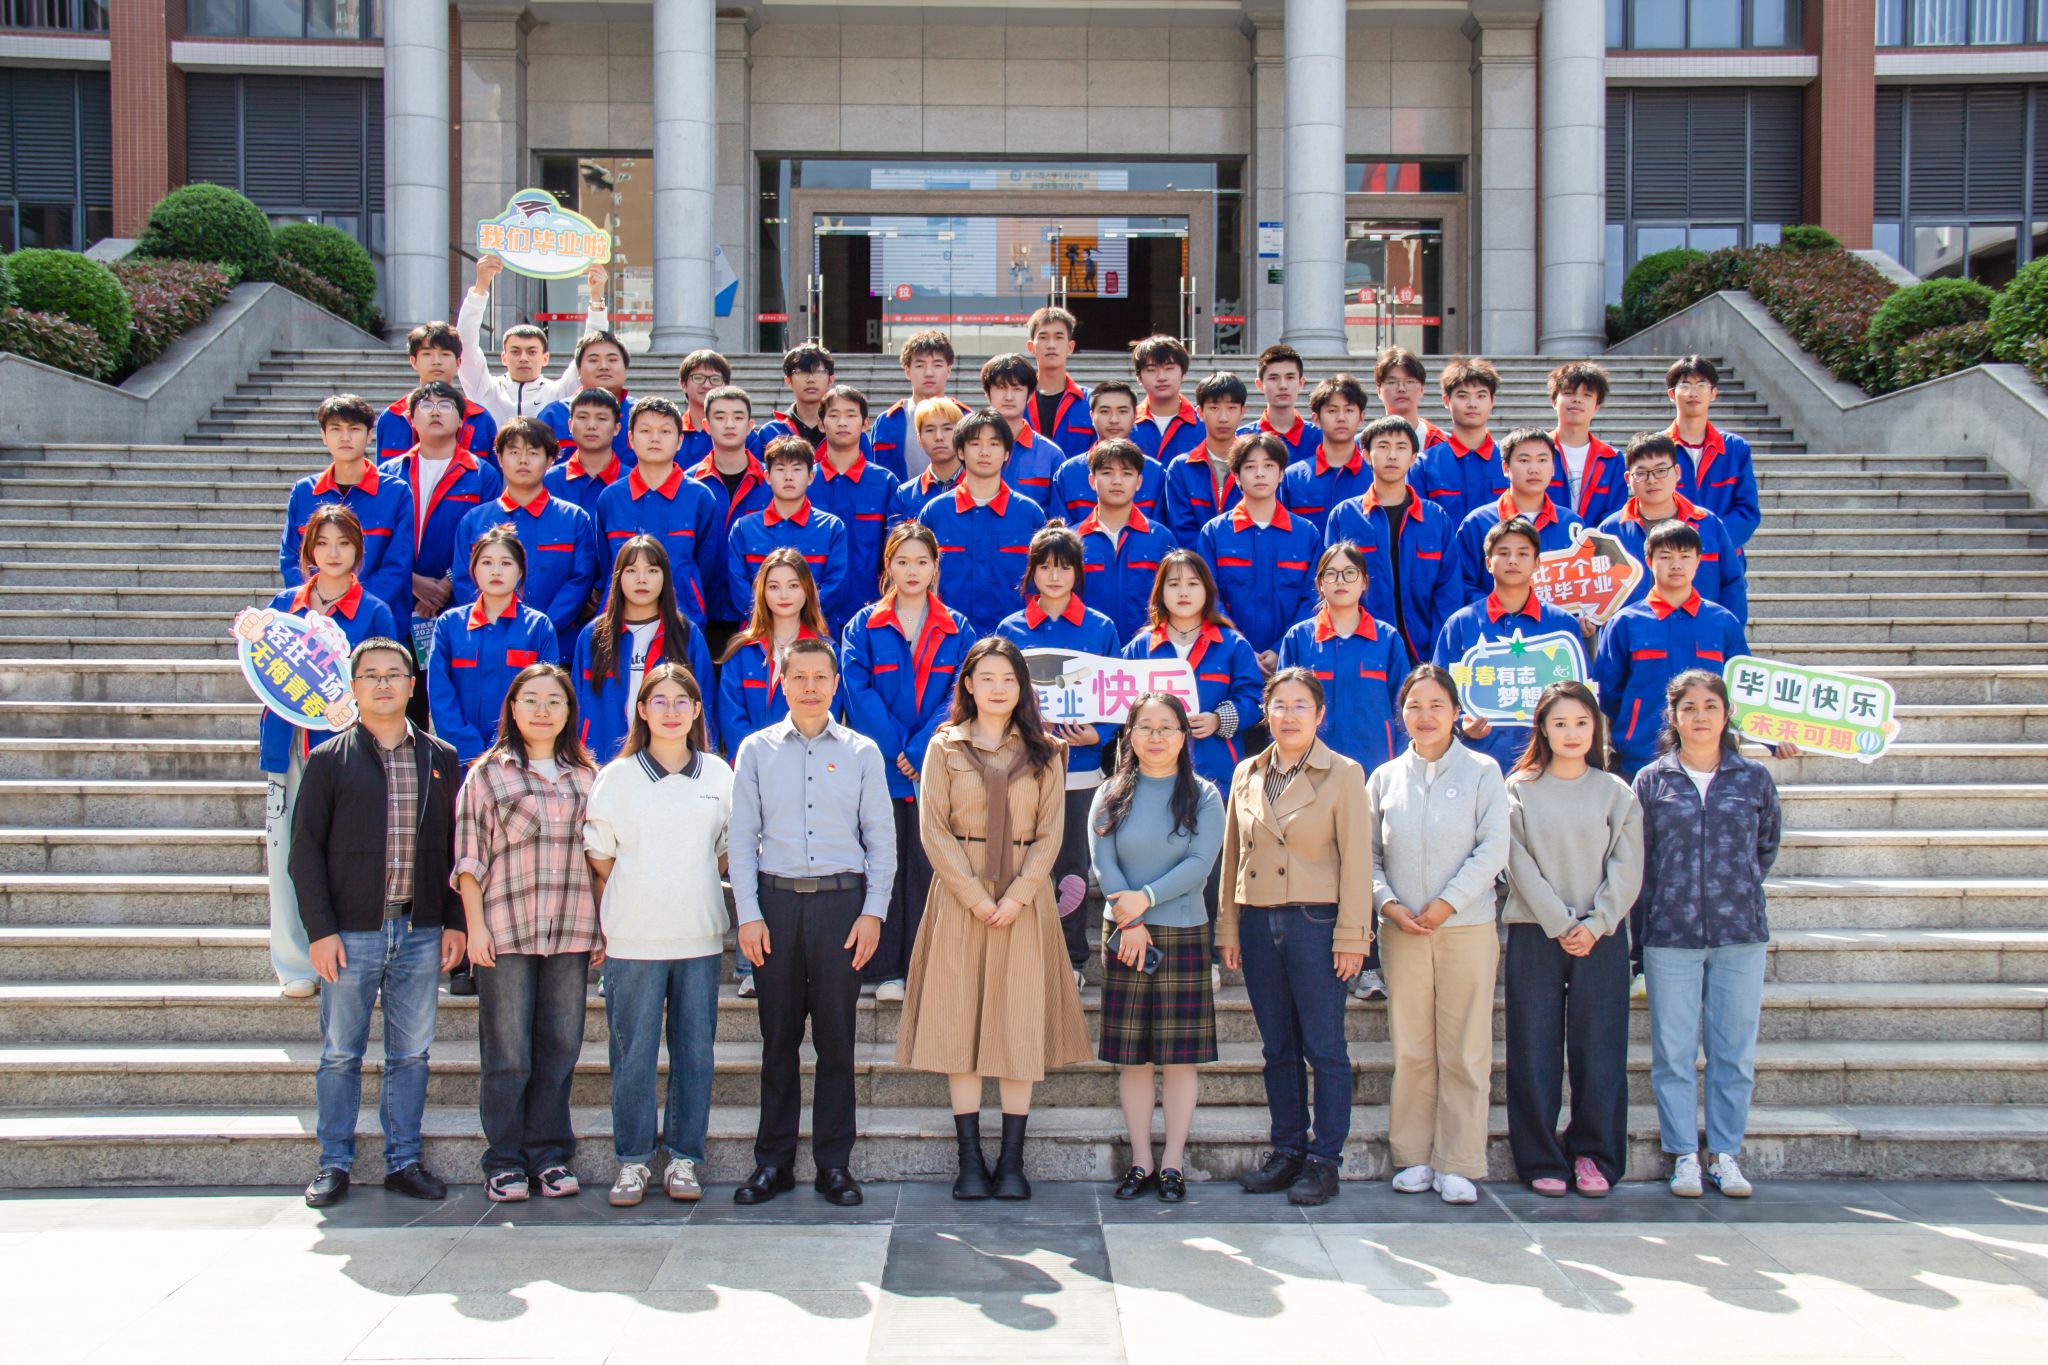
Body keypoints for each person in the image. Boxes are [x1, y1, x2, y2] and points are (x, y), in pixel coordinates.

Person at [897, 636, 1092, 1201]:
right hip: (960, 896)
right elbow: (933, 830)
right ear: (968, 684)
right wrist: (974, 897)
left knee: (1017, 1022)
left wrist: (1018, 896)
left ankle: (1011, 1161)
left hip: (1023, 900)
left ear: (1022, 687)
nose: (998, 688)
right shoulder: (945, 748)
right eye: (987, 678)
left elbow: (1052, 833)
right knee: (961, 1021)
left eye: (1009, 678)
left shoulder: (1047, 751)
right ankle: (969, 1160)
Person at [291, 637, 465, 1208]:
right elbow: (304, 852)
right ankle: (334, 1163)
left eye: (395, 674)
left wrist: (455, 921)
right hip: (351, 933)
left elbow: (455, 847)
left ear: (413, 686)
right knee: (341, 1052)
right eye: (371, 675)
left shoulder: (440, 758)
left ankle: (403, 1161)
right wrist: (320, 931)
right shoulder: (328, 759)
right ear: (353, 686)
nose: (384, 683)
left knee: (410, 1053)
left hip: (420, 930)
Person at [728, 637, 896, 1207]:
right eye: (797, 676)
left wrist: (873, 912)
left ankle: (834, 1165)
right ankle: (772, 1163)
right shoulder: (755, 750)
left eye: (820, 676)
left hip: (840, 907)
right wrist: (748, 915)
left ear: (835, 683)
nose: (809, 686)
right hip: (774, 906)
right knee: (777, 1040)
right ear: (781, 682)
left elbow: (881, 840)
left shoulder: (862, 752)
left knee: (836, 1041)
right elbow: (741, 838)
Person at [1218, 667, 1371, 1206]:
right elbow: (1233, 856)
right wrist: (1229, 925)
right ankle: (1286, 1149)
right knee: (1277, 1047)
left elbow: (1357, 860)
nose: (1288, 715)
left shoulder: (1344, 773)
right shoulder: (1247, 772)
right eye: (1279, 705)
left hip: (1316, 922)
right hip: (1259, 921)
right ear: (1265, 712)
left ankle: (1324, 1160)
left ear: (1320, 714)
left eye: (1300, 705)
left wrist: (1354, 936)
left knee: (1324, 1048)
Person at [584, 663, 733, 1206]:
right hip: (634, 939)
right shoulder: (617, 777)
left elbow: (726, 850)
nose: (671, 711)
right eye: (660, 701)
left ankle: (685, 1158)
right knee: (633, 1057)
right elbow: (601, 858)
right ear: (641, 710)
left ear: (697, 711)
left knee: (695, 1055)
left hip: (698, 937)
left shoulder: (719, 774)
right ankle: (633, 1161)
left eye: (681, 701)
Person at [453, 663, 600, 1202]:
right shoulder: (487, 774)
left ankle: (550, 1155)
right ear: (512, 709)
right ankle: (504, 1160)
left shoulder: (588, 777)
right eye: (531, 700)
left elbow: (600, 858)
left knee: (561, 1046)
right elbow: (469, 858)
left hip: (572, 928)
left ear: (569, 712)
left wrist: (602, 927)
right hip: (505, 930)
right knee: (508, 1052)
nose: (543, 710)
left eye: (554, 701)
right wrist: (474, 928)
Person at [1635, 669, 1781, 1200]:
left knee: (1732, 1050)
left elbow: (1766, 846)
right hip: (1669, 931)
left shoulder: (1753, 777)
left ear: (1726, 714)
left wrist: (1730, 886)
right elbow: (1639, 856)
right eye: (1689, 708)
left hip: (1739, 929)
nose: (1700, 717)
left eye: (1710, 707)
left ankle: (1724, 1153)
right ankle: (1683, 1155)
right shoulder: (1652, 780)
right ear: (1673, 717)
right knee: (1673, 1052)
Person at [1370, 664, 1511, 1206]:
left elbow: (1493, 847)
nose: (1425, 716)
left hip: (1466, 927)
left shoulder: (1482, 771)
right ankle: (1413, 1156)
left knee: (1465, 1048)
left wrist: (1449, 902)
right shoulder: (1384, 778)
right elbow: (1367, 856)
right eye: (1414, 706)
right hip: (1402, 929)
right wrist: (1387, 904)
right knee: (1411, 1048)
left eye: (1436, 705)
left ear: (1456, 712)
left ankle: (1459, 1160)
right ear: (1400, 714)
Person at [1503, 681, 1643, 1198]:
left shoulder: (1616, 792)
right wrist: (1560, 923)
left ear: (1596, 728)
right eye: (1560, 723)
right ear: (1542, 728)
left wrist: (1596, 923)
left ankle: (1594, 1153)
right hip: (1536, 932)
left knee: (1599, 1049)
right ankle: (1540, 1156)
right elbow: (1516, 863)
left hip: (1600, 937)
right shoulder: (1518, 789)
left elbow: (1627, 868)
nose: (1571, 733)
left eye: (1582, 722)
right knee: (1532, 1047)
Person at [1092, 693, 1225, 1203]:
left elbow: (1199, 864)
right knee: (1134, 1059)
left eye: (1167, 727)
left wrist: (1144, 900)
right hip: (1125, 936)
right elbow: (1103, 861)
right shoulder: (1110, 793)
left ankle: (1172, 1163)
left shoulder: (1205, 796)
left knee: (1179, 1059)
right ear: (1129, 735)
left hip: (1182, 930)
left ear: (1183, 736)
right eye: (1145, 727)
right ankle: (1141, 1162)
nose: (1156, 737)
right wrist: (1129, 919)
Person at [262, 506, 398, 999]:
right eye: (322, 543)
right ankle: (295, 963)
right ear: (308, 551)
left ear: (358, 551)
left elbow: (386, 680)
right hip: (288, 744)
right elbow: (261, 669)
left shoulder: (374, 610)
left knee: (348, 852)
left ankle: (352, 959)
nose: (333, 553)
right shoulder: (284, 606)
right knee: (286, 851)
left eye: (343, 543)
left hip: (348, 750)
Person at [840, 522, 975, 1001]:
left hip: (934, 768)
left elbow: (960, 692)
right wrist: (898, 748)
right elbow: (857, 692)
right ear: (888, 567)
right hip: (880, 767)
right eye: (902, 561)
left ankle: (923, 967)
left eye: (922, 561)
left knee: (926, 867)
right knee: (884, 863)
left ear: (936, 567)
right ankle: (883, 969)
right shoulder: (862, 626)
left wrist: (919, 750)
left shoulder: (958, 627)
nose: (912, 571)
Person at [1121, 550, 1262, 984]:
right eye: (1173, 584)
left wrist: (1220, 719)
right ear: (1160, 592)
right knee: (1155, 865)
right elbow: (1121, 707)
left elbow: (1254, 700)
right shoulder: (1141, 646)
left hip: (1214, 772)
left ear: (1207, 591)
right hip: (1151, 777)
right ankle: (1151, 948)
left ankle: (1212, 956)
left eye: (1192, 583)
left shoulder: (1232, 644)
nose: (1183, 592)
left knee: (1211, 867)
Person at [1276, 542, 1405, 1003]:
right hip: (1313, 774)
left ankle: (1368, 965)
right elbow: (1284, 706)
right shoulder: (1300, 639)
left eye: (1350, 574)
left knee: (1364, 863)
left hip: (1372, 773)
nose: (1341, 581)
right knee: (1319, 864)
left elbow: (1402, 709)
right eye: (1331, 574)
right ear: (1319, 584)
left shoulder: (1386, 639)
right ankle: (1317, 961)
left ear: (1365, 582)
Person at [996, 522, 1124, 988]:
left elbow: (1116, 697)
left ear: (1078, 573)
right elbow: (998, 694)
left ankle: (1070, 958)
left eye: (1065, 568)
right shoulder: (1011, 629)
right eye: (1046, 567)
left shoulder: (1101, 628)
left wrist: (1098, 736)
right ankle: (1024, 952)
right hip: (1024, 769)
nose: (1054, 577)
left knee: (1072, 867)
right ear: (1032, 572)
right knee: (1023, 863)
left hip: (1081, 770)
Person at [1593, 519, 1753, 779]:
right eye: (1665, 556)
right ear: (1649, 561)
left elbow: (1744, 686)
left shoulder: (1722, 622)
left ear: (1698, 561)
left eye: (1685, 556)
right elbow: (1609, 694)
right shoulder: (1625, 622)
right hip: (1640, 757)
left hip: (1711, 759)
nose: (1676, 565)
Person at [1432, 517, 1588, 771]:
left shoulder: (1562, 626)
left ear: (1537, 563)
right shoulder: (1461, 624)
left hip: (1548, 764)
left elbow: (1580, 696)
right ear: (1488, 563)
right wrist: (1461, 724)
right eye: (1503, 553)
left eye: (1523, 553)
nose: (1513, 560)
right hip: (1477, 762)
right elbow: (1438, 693)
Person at [381, 380, 506, 666]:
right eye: (426, 406)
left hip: (459, 599)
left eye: (446, 405)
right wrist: (411, 581)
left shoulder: (481, 474)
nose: (435, 411)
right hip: (400, 596)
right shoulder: (390, 473)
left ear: (461, 420)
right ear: (412, 420)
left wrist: (447, 582)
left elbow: (486, 537)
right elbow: (380, 539)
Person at [452, 418, 601, 656]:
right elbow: (463, 581)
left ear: (550, 460)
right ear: (499, 458)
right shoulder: (475, 520)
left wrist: (539, 628)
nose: (523, 460)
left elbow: (580, 581)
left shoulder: (574, 519)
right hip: (488, 646)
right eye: (514, 452)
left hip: (556, 645)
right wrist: (498, 626)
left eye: (533, 453)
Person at [1326, 415, 1462, 666]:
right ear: (1366, 455)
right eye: (1383, 446)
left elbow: (1448, 592)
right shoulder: (1345, 516)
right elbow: (1333, 587)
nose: (1392, 455)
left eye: (1401, 448)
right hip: (1363, 652)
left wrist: (1439, 656)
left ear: (1413, 457)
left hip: (1424, 654)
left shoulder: (1435, 518)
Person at [571, 535, 715, 764]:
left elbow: (705, 707)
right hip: (602, 763)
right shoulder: (593, 636)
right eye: (631, 570)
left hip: (670, 765)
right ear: (617, 577)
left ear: (665, 577)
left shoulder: (686, 634)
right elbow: (575, 707)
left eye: (652, 570)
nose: (641, 579)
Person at [427, 525, 561, 767]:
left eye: (506, 563)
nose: (496, 571)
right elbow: (439, 692)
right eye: (487, 562)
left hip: (518, 756)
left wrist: (500, 748)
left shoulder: (538, 627)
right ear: (474, 570)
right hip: (458, 758)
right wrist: (468, 749)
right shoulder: (449, 624)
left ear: (520, 571)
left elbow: (544, 694)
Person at [916, 409, 1049, 636]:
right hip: (948, 638)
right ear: (960, 451)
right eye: (975, 443)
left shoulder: (1029, 514)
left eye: (994, 444)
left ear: (1007, 453)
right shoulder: (936, 513)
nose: (984, 452)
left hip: (1016, 639)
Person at [1195, 432, 1322, 669]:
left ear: (1281, 473)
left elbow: (1313, 598)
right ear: (1236, 476)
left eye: (1269, 466)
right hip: (1229, 659)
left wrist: (1280, 648)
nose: (1260, 473)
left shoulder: (1306, 534)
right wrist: (1241, 648)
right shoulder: (1215, 533)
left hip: (1292, 661)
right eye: (1250, 467)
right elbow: (1209, 597)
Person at [281, 394, 415, 619]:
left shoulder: (395, 492)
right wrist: (317, 604)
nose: (345, 437)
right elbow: (291, 559)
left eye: (354, 429)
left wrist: (354, 607)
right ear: (323, 435)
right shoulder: (304, 492)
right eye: (336, 429)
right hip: (314, 620)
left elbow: (397, 564)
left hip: (373, 619)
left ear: (369, 435)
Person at [1598, 431, 1749, 623]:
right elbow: (1597, 592)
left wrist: (1731, 630)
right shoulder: (1610, 531)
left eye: (1661, 470)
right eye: (1641, 473)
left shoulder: (1707, 523)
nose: (1652, 480)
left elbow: (1732, 583)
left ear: (1677, 472)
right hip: (1635, 636)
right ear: (1628, 479)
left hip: (1702, 633)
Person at [594, 395, 719, 624]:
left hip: (683, 618)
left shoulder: (700, 498)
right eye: (645, 431)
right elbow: (605, 564)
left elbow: (706, 565)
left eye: (665, 431)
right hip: (619, 623)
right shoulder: (611, 498)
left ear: (679, 441)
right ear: (630, 439)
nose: (655, 438)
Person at [456, 254, 610, 424]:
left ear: (545, 358)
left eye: (532, 352)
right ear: (504, 357)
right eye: (515, 351)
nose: (523, 358)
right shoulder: (486, 390)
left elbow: (592, 349)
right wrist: (480, 287)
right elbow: (464, 345)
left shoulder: (559, 393)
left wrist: (597, 298)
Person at [1448, 427, 1584, 609]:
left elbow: (1586, 583)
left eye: (1542, 460)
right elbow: (1462, 584)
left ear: (1553, 468)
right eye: (1524, 460)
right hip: (1495, 624)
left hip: (1558, 626)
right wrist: (1505, 610)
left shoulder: (1571, 524)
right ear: (1505, 467)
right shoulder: (1478, 523)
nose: (1534, 469)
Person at [683, 384, 772, 656]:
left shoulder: (771, 483)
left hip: (758, 614)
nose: (729, 424)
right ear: (706, 425)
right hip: (700, 611)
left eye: (738, 417)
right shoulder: (688, 484)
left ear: (751, 426)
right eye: (720, 417)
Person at [723, 436, 848, 629]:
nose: (788, 477)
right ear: (767, 477)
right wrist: (770, 621)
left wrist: (798, 621)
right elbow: (739, 587)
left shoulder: (831, 528)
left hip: (813, 634)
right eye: (780, 469)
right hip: (759, 633)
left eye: (797, 469)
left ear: (811, 477)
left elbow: (834, 586)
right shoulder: (744, 529)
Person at [808, 384, 898, 628]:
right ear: (821, 424)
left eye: (850, 415)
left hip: (870, 609)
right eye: (834, 415)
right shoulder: (805, 481)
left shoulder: (884, 483)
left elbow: (895, 550)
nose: (842, 422)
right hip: (812, 613)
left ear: (865, 423)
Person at [1074, 439, 1176, 644]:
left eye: (1127, 473)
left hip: (1147, 650)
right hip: (1087, 650)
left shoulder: (1160, 538)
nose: (1117, 481)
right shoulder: (1073, 540)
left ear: (1139, 482)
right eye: (1107, 472)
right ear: (1092, 481)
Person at [1665, 355, 1761, 547]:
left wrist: (1710, 538)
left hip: (1723, 556)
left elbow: (1747, 510)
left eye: (1701, 385)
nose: (1693, 393)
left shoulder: (1735, 449)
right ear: (1672, 394)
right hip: (1671, 552)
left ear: (1713, 393)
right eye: (1685, 385)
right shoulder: (1657, 447)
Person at [375, 322, 498, 465]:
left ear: (458, 362)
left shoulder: (480, 419)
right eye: (427, 354)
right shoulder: (392, 417)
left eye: (445, 354)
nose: (436, 362)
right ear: (413, 361)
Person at [1048, 382, 1168, 524]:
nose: (1114, 420)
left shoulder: (1155, 473)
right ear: (1092, 416)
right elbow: (1061, 532)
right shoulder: (1068, 473)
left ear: (1135, 416)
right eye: (1105, 411)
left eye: (1122, 411)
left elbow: (1160, 531)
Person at [1413, 355, 1506, 527]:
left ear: (1492, 401)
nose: (1472, 404)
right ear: (1446, 400)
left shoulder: (1510, 460)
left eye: (1481, 396)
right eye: (1463, 396)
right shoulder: (1424, 465)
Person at [1278, 373, 1372, 534]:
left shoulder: (1375, 475)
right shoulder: (1293, 478)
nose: (1341, 418)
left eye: (1349, 410)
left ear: (1362, 417)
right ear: (1316, 419)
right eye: (1332, 410)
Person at [1163, 371, 1246, 547]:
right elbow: (1182, 531)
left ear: (1242, 411)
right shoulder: (1181, 468)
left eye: (1231, 408)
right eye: (1214, 408)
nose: (1223, 418)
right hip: (1196, 562)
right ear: (1200, 412)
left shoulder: (1255, 465)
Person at [536, 330, 636, 465]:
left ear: (625, 369)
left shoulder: (642, 415)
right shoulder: (555, 414)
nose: (604, 366)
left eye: (612, 360)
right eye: (593, 360)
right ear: (578, 370)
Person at [978, 352, 1066, 504]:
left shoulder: (1051, 455)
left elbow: (1059, 511)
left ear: (1030, 395)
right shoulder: (971, 448)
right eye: (1001, 388)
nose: (1009, 397)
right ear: (987, 394)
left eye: (1017, 389)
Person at [869, 330, 956, 479]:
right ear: (907, 371)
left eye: (937, 365)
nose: (929, 373)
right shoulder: (887, 421)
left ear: (949, 370)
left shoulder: (964, 417)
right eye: (920, 365)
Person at [1548, 360, 1626, 526]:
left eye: (1587, 395)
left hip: (1596, 540)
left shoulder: (1612, 459)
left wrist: (1590, 538)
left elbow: (1615, 513)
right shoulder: (1538, 452)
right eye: (1569, 393)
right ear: (1554, 401)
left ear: (1597, 406)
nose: (1577, 400)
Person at [540, 387, 626, 519]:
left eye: (601, 418)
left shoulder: (632, 482)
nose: (591, 426)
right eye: (582, 417)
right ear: (570, 425)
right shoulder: (548, 480)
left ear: (617, 428)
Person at [1023, 306, 1097, 457]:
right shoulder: (1018, 400)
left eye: (1059, 337)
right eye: (1043, 337)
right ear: (1031, 347)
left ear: (1070, 347)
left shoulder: (1091, 401)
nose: (1051, 345)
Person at [889, 394, 967, 527]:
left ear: (961, 435)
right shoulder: (905, 495)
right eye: (930, 430)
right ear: (919, 439)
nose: (939, 437)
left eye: (947, 428)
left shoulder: (980, 490)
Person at [751, 341, 839, 455]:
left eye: (818, 372)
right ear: (788, 380)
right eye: (802, 372)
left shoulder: (846, 429)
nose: (810, 379)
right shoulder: (770, 432)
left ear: (831, 380)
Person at [1240, 343, 1322, 465]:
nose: (1283, 385)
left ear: (1301, 383)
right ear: (1259, 385)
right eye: (1273, 378)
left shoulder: (1319, 438)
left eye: (1290, 377)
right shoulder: (1242, 438)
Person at [1129, 334, 1204, 465]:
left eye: (1169, 368)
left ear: (1183, 374)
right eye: (1151, 370)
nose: (1161, 377)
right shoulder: (1127, 425)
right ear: (1139, 377)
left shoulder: (1204, 425)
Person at [1374, 347, 1448, 454]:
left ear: (1422, 389)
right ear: (1379, 391)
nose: (1401, 388)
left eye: (1409, 382)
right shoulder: (1362, 445)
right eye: (1392, 382)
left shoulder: (1443, 444)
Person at [675, 348, 733, 458]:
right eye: (698, 378)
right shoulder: (670, 432)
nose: (707, 385)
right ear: (683, 385)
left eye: (715, 379)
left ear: (726, 386)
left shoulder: (741, 434)